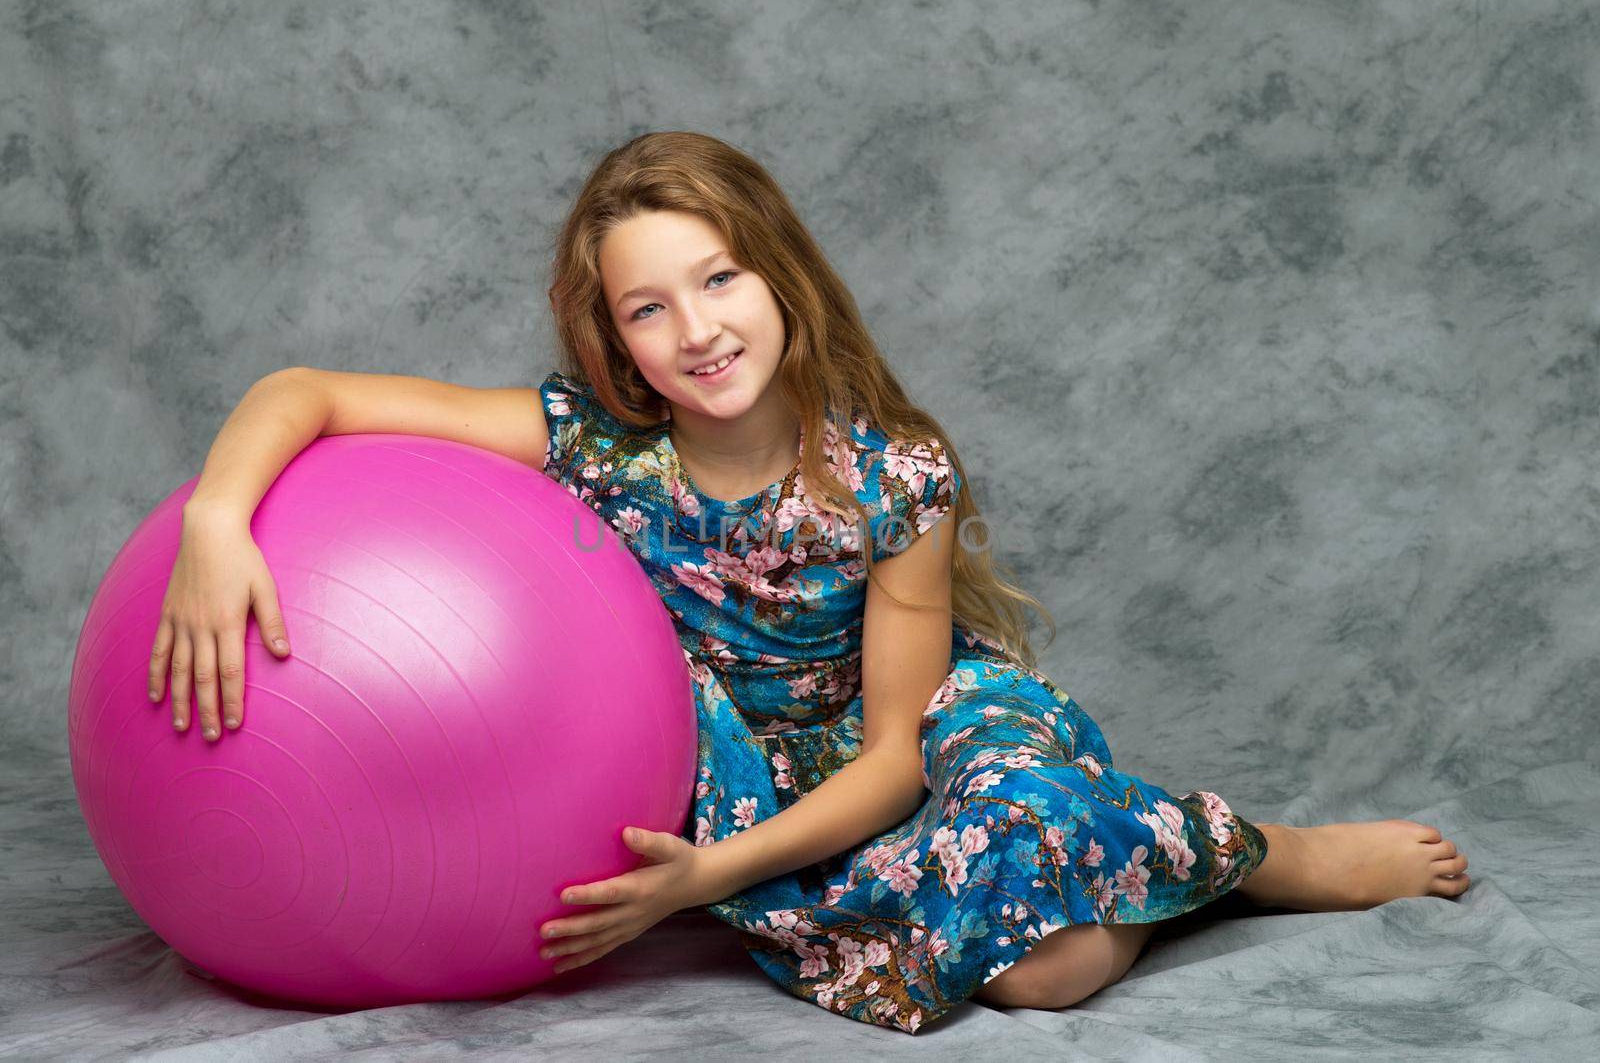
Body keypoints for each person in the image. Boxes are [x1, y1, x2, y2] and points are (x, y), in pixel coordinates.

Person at [147, 131, 1470, 1035]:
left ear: (780, 274)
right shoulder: (603, 448)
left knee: (1023, 877)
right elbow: (304, 392)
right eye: (646, 307)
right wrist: (218, 516)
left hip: (917, 738)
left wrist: (703, 878)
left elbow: (899, 753)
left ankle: (1252, 856)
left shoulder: (900, 478)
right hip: (743, 779)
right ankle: (1118, 888)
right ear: (613, 335)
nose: (697, 328)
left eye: (718, 278)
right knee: (1047, 974)